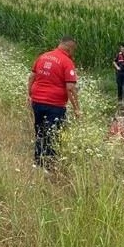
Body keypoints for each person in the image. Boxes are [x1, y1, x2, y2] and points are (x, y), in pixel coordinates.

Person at [28, 35, 80, 169]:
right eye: (73, 50)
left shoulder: (43, 56)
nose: (73, 53)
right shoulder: (67, 61)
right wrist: (77, 109)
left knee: (40, 131)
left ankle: (37, 161)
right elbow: (70, 88)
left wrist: (30, 94)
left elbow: (31, 77)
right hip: (54, 105)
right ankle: (48, 166)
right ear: (69, 48)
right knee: (52, 135)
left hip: (37, 101)